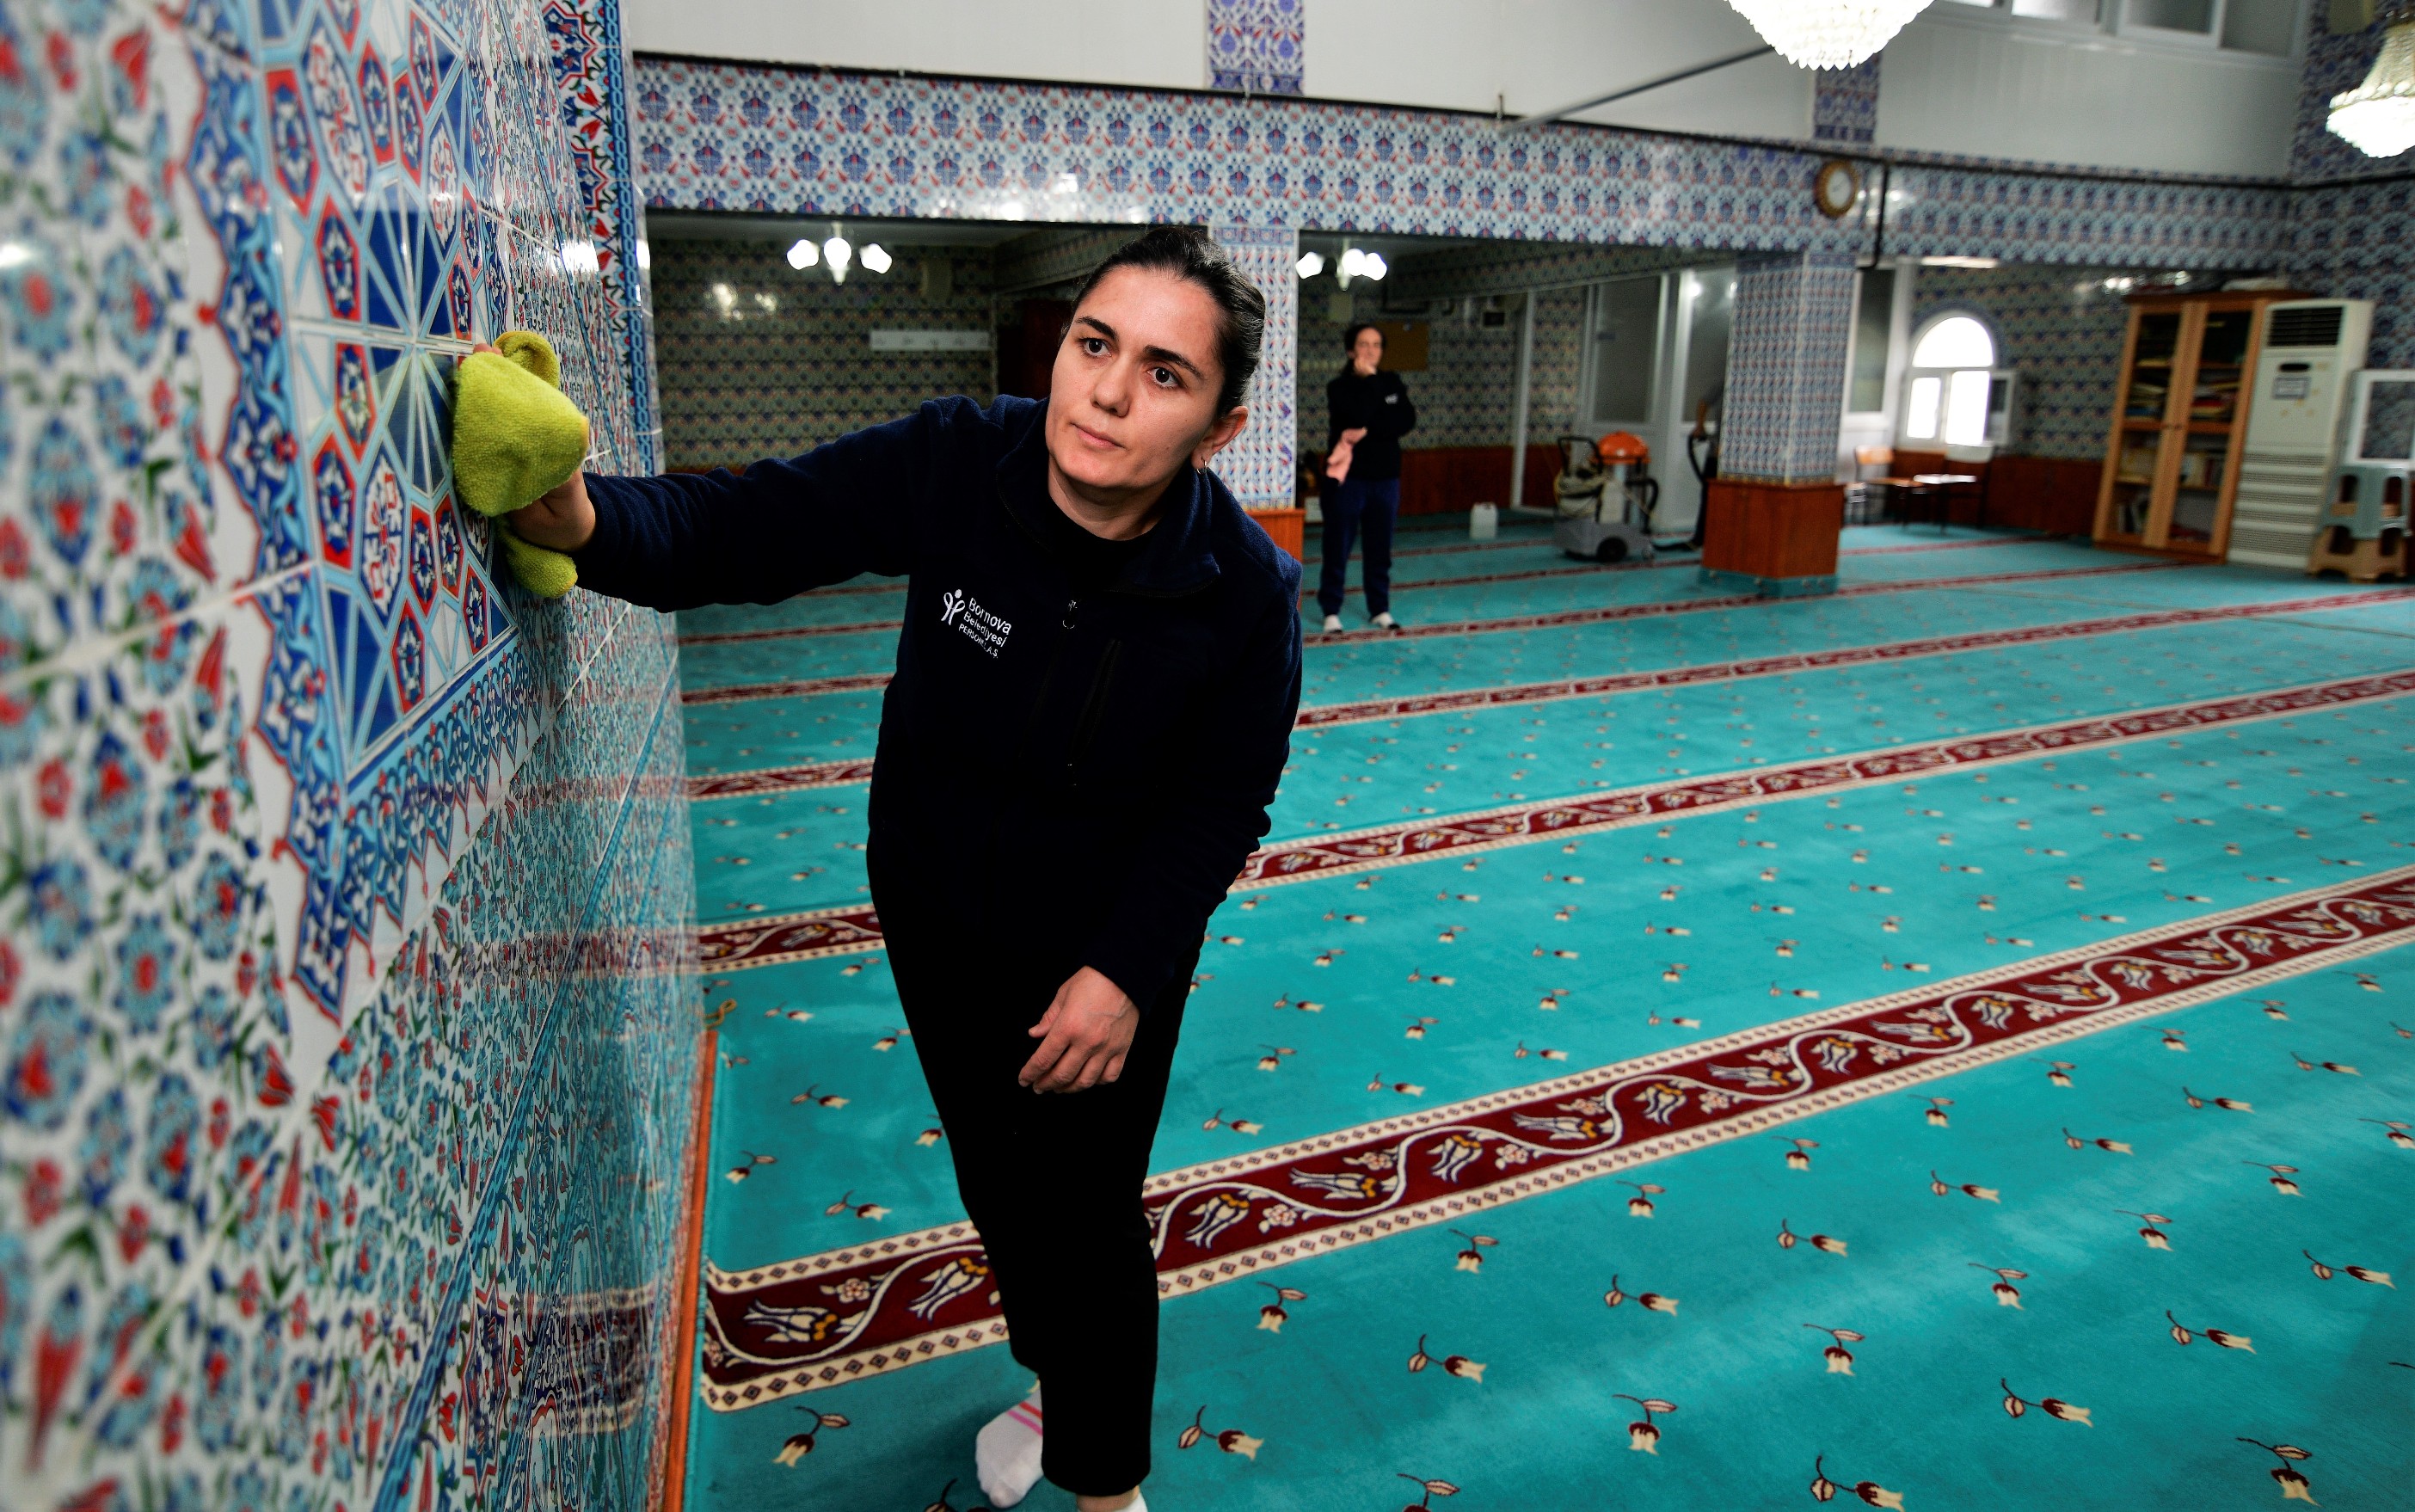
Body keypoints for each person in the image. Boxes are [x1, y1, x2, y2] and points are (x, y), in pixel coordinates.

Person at [491, 227, 1304, 1512]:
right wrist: (589, 522)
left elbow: (1220, 805)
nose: (1106, 392)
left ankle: (1107, 1486)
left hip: (1100, 952)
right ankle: (1054, 1377)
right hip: (932, 903)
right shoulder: (960, 461)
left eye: (1164, 373)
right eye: (1094, 345)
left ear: (1220, 426)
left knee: (1085, 1213)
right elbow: (752, 522)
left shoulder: (1245, 594)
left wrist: (1124, 972)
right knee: (995, 1175)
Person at [1316, 322, 1417, 633]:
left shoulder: (1392, 381)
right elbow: (1356, 415)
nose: (1371, 350)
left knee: (1380, 547)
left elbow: (1404, 422)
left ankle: (1380, 608)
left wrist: (1370, 427)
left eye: (1376, 345)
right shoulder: (1339, 387)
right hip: (1350, 479)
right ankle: (1331, 610)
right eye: (1364, 344)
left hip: (1386, 478)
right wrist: (1373, 389)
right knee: (1338, 545)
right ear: (1351, 350)